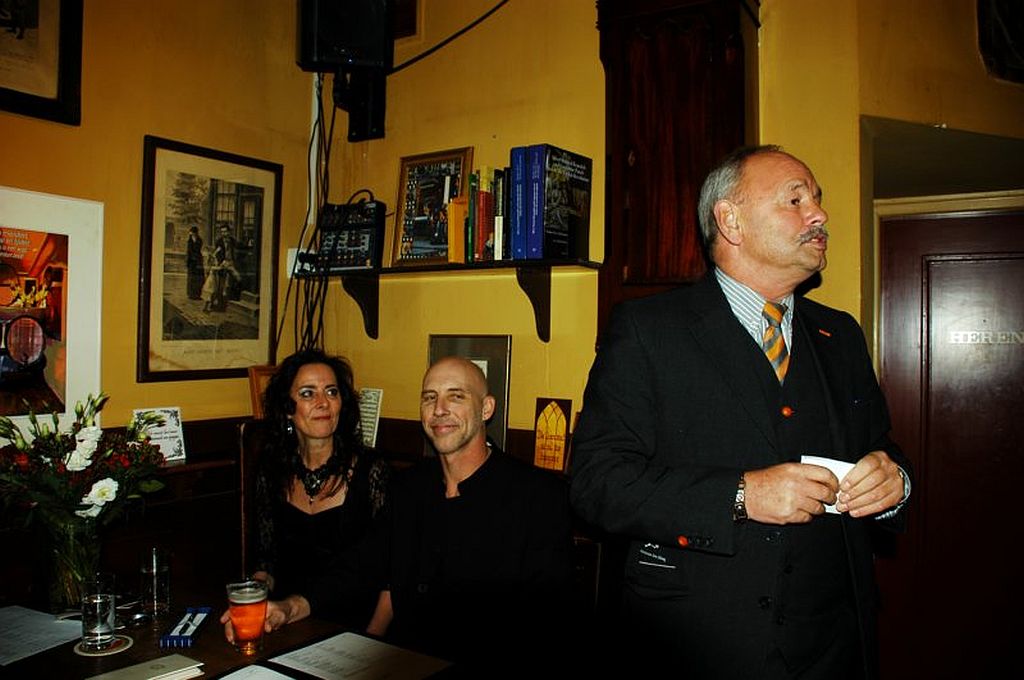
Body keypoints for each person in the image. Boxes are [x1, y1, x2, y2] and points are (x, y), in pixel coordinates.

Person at [569, 145, 912, 680]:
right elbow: (597, 484)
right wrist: (740, 495)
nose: (819, 214)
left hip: (832, 645)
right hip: (698, 644)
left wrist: (895, 483)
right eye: (795, 200)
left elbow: (882, 449)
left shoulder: (840, 334)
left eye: (817, 200)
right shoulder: (647, 330)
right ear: (730, 220)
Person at [368, 356, 574, 672]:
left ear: (486, 408)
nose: (439, 409)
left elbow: (548, 621)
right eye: (429, 397)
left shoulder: (538, 496)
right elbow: (390, 584)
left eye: (456, 396)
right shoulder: (407, 488)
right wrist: (366, 650)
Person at [221, 348, 388, 641]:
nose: (323, 402)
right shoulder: (272, 470)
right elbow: (266, 561)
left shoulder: (372, 470)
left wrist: (374, 641)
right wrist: (253, 602)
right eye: (308, 393)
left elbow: (386, 572)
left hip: (356, 631)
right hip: (288, 625)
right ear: (288, 407)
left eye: (332, 392)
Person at [185, 225, 205, 300]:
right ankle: (191, 294)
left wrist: (196, 258)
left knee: (198, 278)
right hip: (191, 262)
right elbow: (188, 251)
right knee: (191, 278)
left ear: (196, 233)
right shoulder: (189, 241)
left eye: (193, 233)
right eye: (191, 233)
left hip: (198, 261)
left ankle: (197, 294)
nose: (192, 234)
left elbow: (198, 250)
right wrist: (188, 260)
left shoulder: (199, 240)